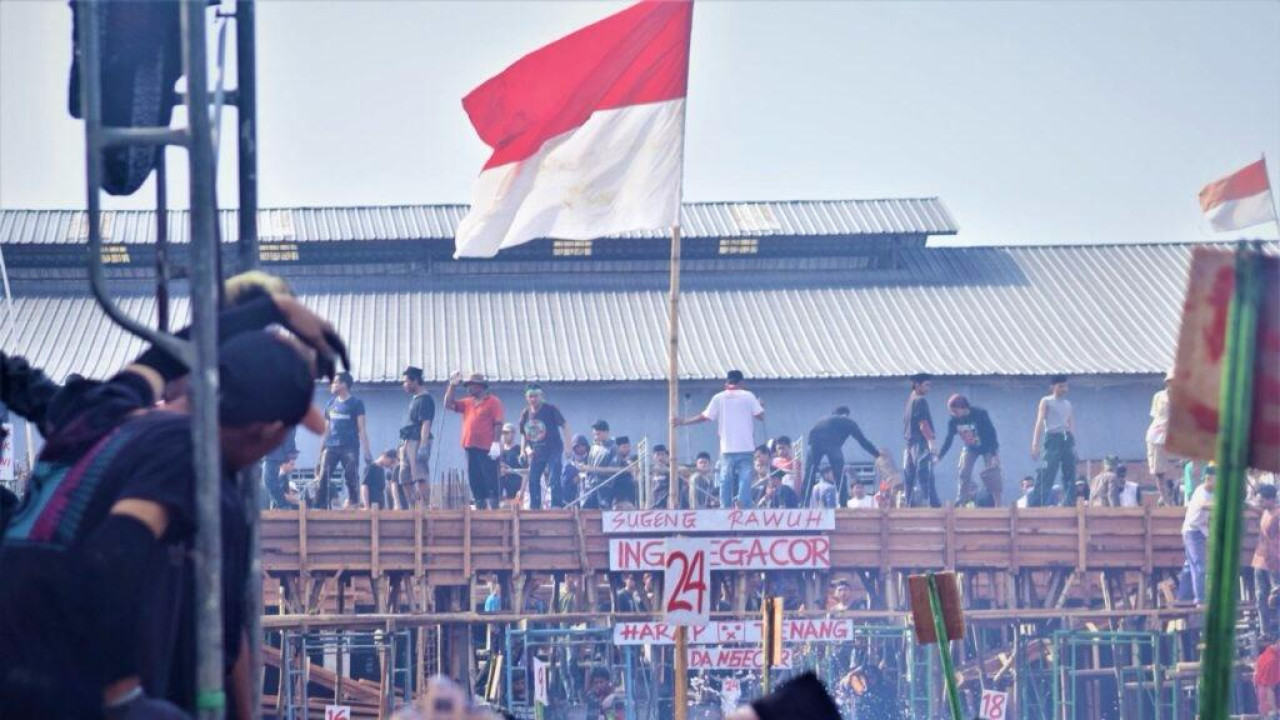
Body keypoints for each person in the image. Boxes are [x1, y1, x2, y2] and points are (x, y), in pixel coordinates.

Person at [0, 295, 342, 720]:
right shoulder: (193, 460)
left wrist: (273, 309)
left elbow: (161, 357)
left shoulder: (107, 408)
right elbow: (112, 552)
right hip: (66, 693)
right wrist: (123, 696)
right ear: (268, 431)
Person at [673, 369, 765, 509]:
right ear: (741, 383)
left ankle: (725, 507)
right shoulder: (748, 396)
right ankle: (743, 503)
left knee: (725, 479)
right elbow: (760, 416)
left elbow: (705, 417)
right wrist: (760, 405)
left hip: (727, 447)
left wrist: (684, 421)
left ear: (726, 383)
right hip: (746, 446)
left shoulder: (719, 397)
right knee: (745, 479)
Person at [444, 372, 505, 510]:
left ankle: (494, 508)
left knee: (490, 478)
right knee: (474, 478)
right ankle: (480, 506)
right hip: (470, 446)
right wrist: (452, 385)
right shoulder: (467, 403)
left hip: (487, 448)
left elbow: (498, 422)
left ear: (480, 387)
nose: (468, 389)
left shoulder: (493, 402)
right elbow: (448, 404)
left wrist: (495, 443)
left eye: (471, 386)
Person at [803, 406, 885, 507]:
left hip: (814, 443)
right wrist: (876, 453)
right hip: (832, 444)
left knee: (810, 474)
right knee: (840, 475)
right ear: (846, 414)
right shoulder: (847, 421)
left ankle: (803, 502)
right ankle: (843, 504)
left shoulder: (822, 419)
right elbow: (862, 441)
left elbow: (811, 436)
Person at [317, 371, 372, 509]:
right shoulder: (330, 404)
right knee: (323, 476)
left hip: (349, 447)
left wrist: (367, 451)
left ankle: (353, 503)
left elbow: (362, 429)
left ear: (344, 385)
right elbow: (326, 429)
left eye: (335, 382)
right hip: (331, 447)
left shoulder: (356, 404)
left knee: (351, 476)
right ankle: (320, 506)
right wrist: (321, 451)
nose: (332, 385)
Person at [936, 394, 1002, 506]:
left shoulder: (980, 414)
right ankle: (961, 500)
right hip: (971, 447)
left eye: (955, 411)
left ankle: (998, 503)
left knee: (993, 474)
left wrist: (995, 454)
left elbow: (992, 433)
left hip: (987, 447)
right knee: (964, 471)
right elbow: (949, 439)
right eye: (952, 412)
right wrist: (940, 456)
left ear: (964, 408)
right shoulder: (954, 421)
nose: (954, 414)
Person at [518, 384, 570, 509]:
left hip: (553, 449)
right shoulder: (525, 413)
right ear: (527, 398)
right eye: (530, 396)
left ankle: (556, 505)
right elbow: (523, 434)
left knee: (554, 477)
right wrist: (523, 451)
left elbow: (565, 426)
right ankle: (535, 507)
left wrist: (568, 446)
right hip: (537, 451)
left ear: (541, 396)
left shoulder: (550, 409)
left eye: (535, 396)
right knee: (533, 479)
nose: (533, 399)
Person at [1031, 375, 1077, 507]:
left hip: (1066, 437)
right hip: (1052, 437)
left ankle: (1069, 504)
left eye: (1065, 386)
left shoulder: (1068, 404)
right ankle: (1037, 505)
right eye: (1060, 386)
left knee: (1070, 472)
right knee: (1047, 472)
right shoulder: (1046, 401)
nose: (1063, 389)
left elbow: (1071, 423)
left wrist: (1073, 444)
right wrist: (1035, 443)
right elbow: (1040, 421)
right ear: (1052, 387)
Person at [397, 366, 435, 510]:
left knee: (419, 475)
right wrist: (403, 445)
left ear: (415, 381)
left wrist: (423, 446)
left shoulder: (425, 399)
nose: (404, 385)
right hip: (408, 440)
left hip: (418, 440)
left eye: (406, 381)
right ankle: (413, 508)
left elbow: (426, 423)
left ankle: (425, 507)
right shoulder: (414, 399)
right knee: (404, 476)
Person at [902, 373, 940, 508]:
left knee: (909, 477)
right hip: (919, 442)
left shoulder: (909, 401)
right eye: (926, 385)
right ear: (917, 385)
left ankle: (909, 505)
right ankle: (931, 504)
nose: (928, 388)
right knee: (925, 473)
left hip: (909, 443)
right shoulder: (920, 400)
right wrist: (931, 442)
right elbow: (923, 423)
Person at [1178, 468, 1215, 605]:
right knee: (1199, 566)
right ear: (1209, 479)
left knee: (1190, 565)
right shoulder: (1201, 491)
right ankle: (1200, 600)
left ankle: (1182, 597)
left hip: (1201, 532)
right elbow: (1203, 505)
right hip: (1192, 532)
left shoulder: (1213, 493)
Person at [1147, 370, 1178, 506]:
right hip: (1157, 436)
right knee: (1159, 472)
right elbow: (1156, 417)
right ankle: (1165, 500)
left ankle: (1168, 497)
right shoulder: (1159, 397)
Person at [1255, 485, 1280, 637]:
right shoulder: (1265, 512)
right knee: (1260, 596)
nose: (1259, 501)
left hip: (1274, 560)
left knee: (1276, 595)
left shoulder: (1278, 514)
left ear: (1270, 499)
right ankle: (1265, 631)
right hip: (1260, 560)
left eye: (1261, 499)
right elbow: (1257, 510)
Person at [262, 427, 299, 510]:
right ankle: (282, 504)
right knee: (271, 483)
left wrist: (290, 452)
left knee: (269, 482)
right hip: (274, 453)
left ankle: (282, 504)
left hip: (275, 454)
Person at [583, 420, 616, 509]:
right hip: (591, 487)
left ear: (606, 432)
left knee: (603, 513)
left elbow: (613, 470)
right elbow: (589, 467)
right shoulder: (593, 448)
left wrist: (593, 469)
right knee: (586, 511)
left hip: (605, 487)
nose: (596, 437)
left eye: (598, 434)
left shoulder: (613, 448)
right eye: (594, 434)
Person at [498, 423, 525, 507]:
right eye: (502, 433)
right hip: (503, 492)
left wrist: (522, 490)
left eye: (506, 433)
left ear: (513, 434)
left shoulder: (519, 451)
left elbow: (526, 472)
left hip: (516, 492)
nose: (504, 436)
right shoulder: (499, 451)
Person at [562, 434, 592, 507]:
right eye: (577, 447)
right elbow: (565, 484)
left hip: (589, 497)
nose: (580, 449)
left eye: (582, 446)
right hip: (573, 500)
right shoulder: (569, 466)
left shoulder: (592, 462)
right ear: (574, 448)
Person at [1257, 635, 1280, 718]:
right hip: (1273, 708)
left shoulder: (1263, 656)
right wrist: (1275, 713)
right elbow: (1269, 689)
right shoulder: (1272, 660)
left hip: (1266, 707)